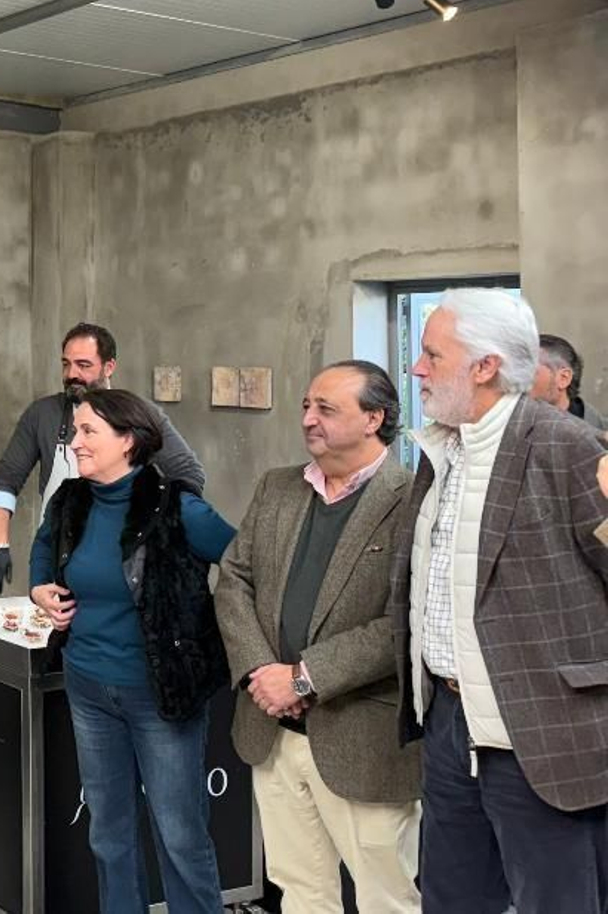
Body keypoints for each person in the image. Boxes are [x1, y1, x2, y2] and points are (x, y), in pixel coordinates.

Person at [391, 289, 608, 914]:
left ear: (485, 366)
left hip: (544, 734)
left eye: (433, 355)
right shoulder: (443, 449)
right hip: (449, 725)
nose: (417, 368)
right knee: (451, 900)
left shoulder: (570, 448)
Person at [214, 361, 421, 913]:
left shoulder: (412, 500)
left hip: (363, 738)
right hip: (272, 728)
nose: (308, 419)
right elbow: (234, 580)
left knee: (387, 898)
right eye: (307, 405)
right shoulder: (277, 487)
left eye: (326, 409)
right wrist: (262, 673)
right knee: (300, 891)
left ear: (374, 418)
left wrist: (304, 678)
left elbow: (405, 621)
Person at [29, 388, 233, 914]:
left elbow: (243, 564)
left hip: (159, 695)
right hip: (88, 687)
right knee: (108, 833)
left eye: (88, 432)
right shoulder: (70, 500)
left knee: (180, 835)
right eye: (74, 431)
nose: (75, 442)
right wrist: (39, 587)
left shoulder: (177, 508)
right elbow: (45, 545)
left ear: (129, 441)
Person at [0, 322, 204, 593]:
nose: (71, 374)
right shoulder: (42, 415)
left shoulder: (138, 413)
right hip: (58, 553)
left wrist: (161, 528)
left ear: (109, 367)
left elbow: (188, 473)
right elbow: (6, 478)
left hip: (122, 558)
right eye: (66, 364)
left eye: (83, 365)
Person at [531, 331, 607, 433]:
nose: (515, 380)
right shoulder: (514, 428)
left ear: (563, 378)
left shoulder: (600, 437)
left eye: (528, 370)